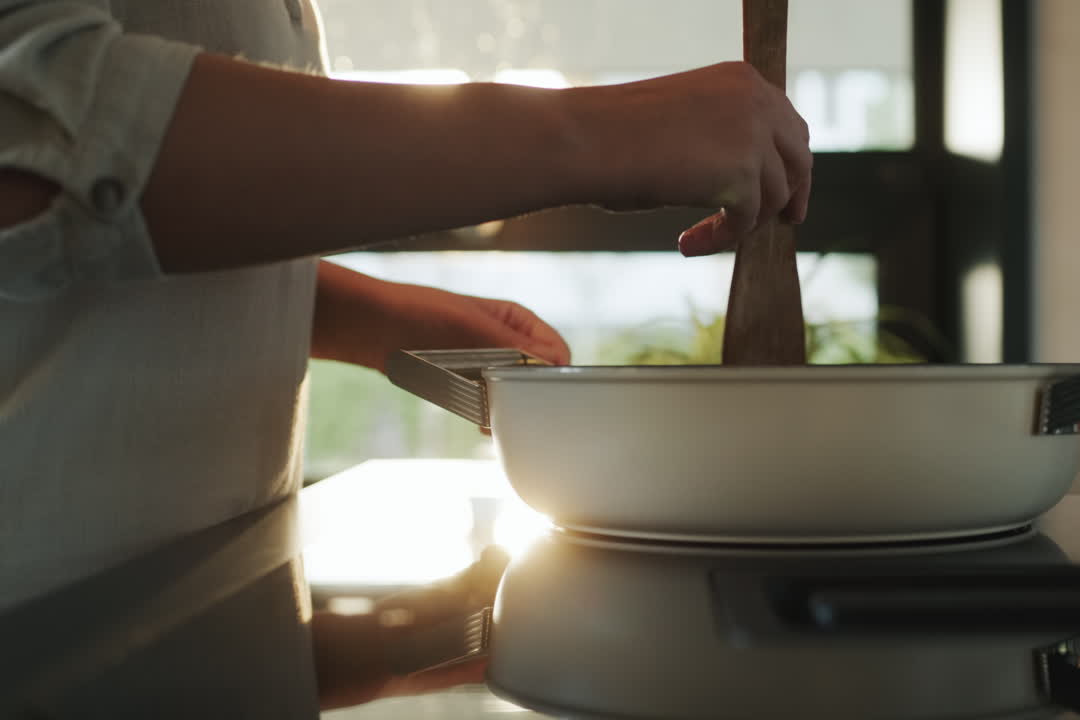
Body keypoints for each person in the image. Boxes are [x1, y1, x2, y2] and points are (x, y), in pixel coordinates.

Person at [0, 0, 811, 715]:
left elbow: (103, 234)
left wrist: (369, 320)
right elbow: (29, 148)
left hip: (189, 633)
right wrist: (592, 131)